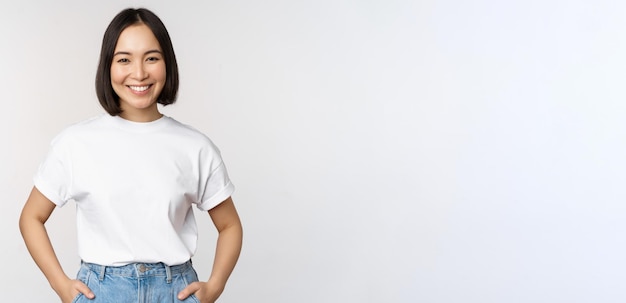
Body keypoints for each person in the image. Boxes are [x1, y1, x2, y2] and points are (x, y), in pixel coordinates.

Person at [19, 7, 242, 303]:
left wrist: (214, 286)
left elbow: (230, 226)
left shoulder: (195, 147)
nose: (139, 73)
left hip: (175, 290)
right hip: (102, 291)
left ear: (168, 64)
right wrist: (60, 284)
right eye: (124, 59)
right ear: (108, 66)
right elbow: (31, 217)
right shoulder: (75, 143)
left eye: (152, 58)